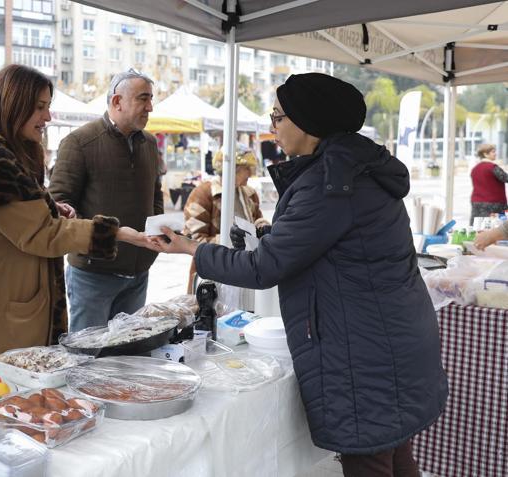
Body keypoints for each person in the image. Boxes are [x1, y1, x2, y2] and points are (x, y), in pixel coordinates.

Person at [144, 73, 447, 477]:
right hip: (391, 336)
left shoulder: (331, 183)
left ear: (309, 121)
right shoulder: (358, 169)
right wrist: (277, 234)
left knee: (371, 457)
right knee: (392, 451)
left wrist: (190, 248)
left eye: (279, 116)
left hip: (365, 351)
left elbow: (261, 267)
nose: (273, 127)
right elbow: (335, 243)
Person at [0, 65, 148, 368]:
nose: (47, 118)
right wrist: (116, 233)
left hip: (5, 304)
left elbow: (19, 212)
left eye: (47, 107)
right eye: (39, 108)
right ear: (13, 104)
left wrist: (48, 204)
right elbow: (42, 234)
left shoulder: (3, 153)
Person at [49, 68, 163, 332]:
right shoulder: (80, 142)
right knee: (87, 357)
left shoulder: (149, 143)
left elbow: (155, 194)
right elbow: (60, 206)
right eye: (143, 99)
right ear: (116, 101)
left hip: (138, 273)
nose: (150, 107)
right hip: (92, 276)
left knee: (125, 358)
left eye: (150, 99)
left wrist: (156, 234)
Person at [182, 150, 268, 293]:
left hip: (246, 270)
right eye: (247, 169)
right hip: (211, 275)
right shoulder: (202, 194)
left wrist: (262, 227)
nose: (250, 173)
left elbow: (256, 218)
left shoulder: (250, 194)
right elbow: (192, 239)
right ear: (234, 169)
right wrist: (230, 241)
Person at [470, 143, 508, 224]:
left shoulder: (475, 169)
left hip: (476, 202)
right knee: (495, 228)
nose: (495, 154)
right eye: (493, 152)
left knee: (477, 227)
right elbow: (505, 178)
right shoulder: (492, 167)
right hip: (494, 203)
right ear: (485, 154)